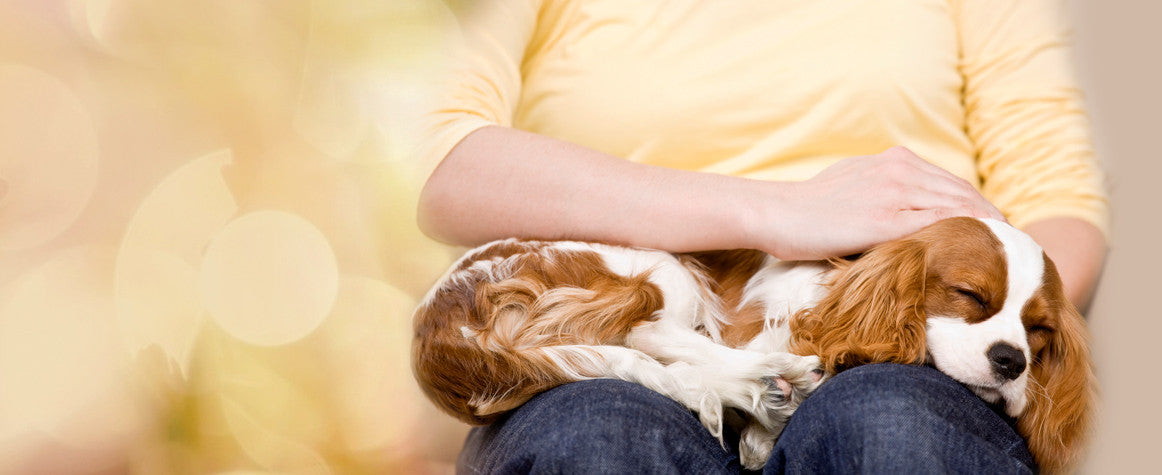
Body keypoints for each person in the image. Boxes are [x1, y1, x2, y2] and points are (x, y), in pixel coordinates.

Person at [414, 1, 1108, 473]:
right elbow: (442, 167)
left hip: (896, 350)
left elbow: (1058, 197)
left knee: (888, 425)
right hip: (612, 332)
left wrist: (979, 307)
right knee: (597, 438)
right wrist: (777, 211)